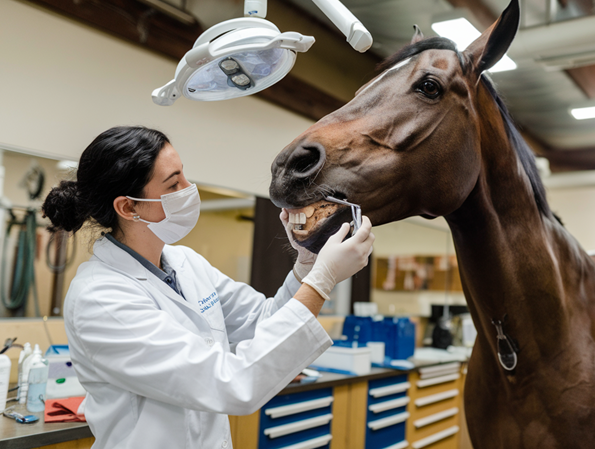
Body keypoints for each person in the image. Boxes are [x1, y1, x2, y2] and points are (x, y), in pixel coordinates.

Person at [41, 126, 374, 449]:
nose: (189, 189)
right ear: (128, 207)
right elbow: (232, 383)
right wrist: (322, 281)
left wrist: (306, 264)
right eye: (173, 184)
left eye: (184, 175)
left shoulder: (186, 263)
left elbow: (263, 320)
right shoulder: (100, 298)